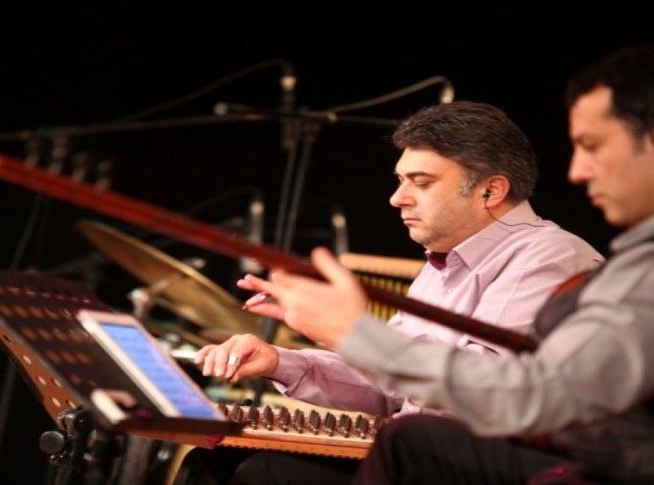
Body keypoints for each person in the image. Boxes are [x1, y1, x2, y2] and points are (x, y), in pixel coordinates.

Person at [228, 44, 654, 483]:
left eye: (422, 182)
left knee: (268, 472)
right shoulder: (443, 263)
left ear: (490, 191)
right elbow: (391, 386)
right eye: (400, 181)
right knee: (223, 456)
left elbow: (489, 395)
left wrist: (352, 331)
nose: (397, 198)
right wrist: (283, 362)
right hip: (422, 460)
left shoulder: (547, 257)